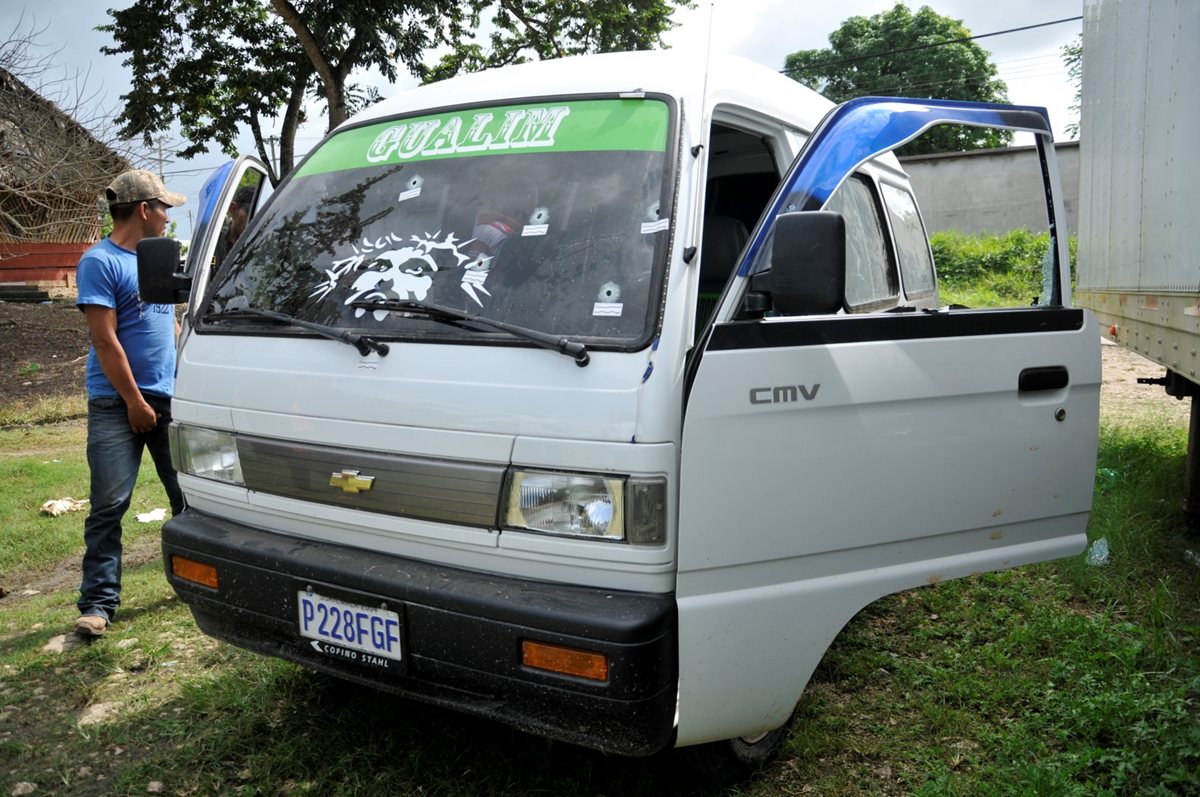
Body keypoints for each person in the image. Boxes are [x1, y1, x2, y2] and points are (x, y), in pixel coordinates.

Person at [73, 169, 187, 638]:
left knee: (189, 496)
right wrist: (136, 403)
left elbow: (169, 325)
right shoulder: (100, 262)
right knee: (109, 505)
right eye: (165, 208)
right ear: (144, 209)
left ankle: (196, 579)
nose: (168, 217)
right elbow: (105, 341)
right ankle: (98, 605)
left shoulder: (156, 260)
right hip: (118, 404)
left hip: (167, 396)